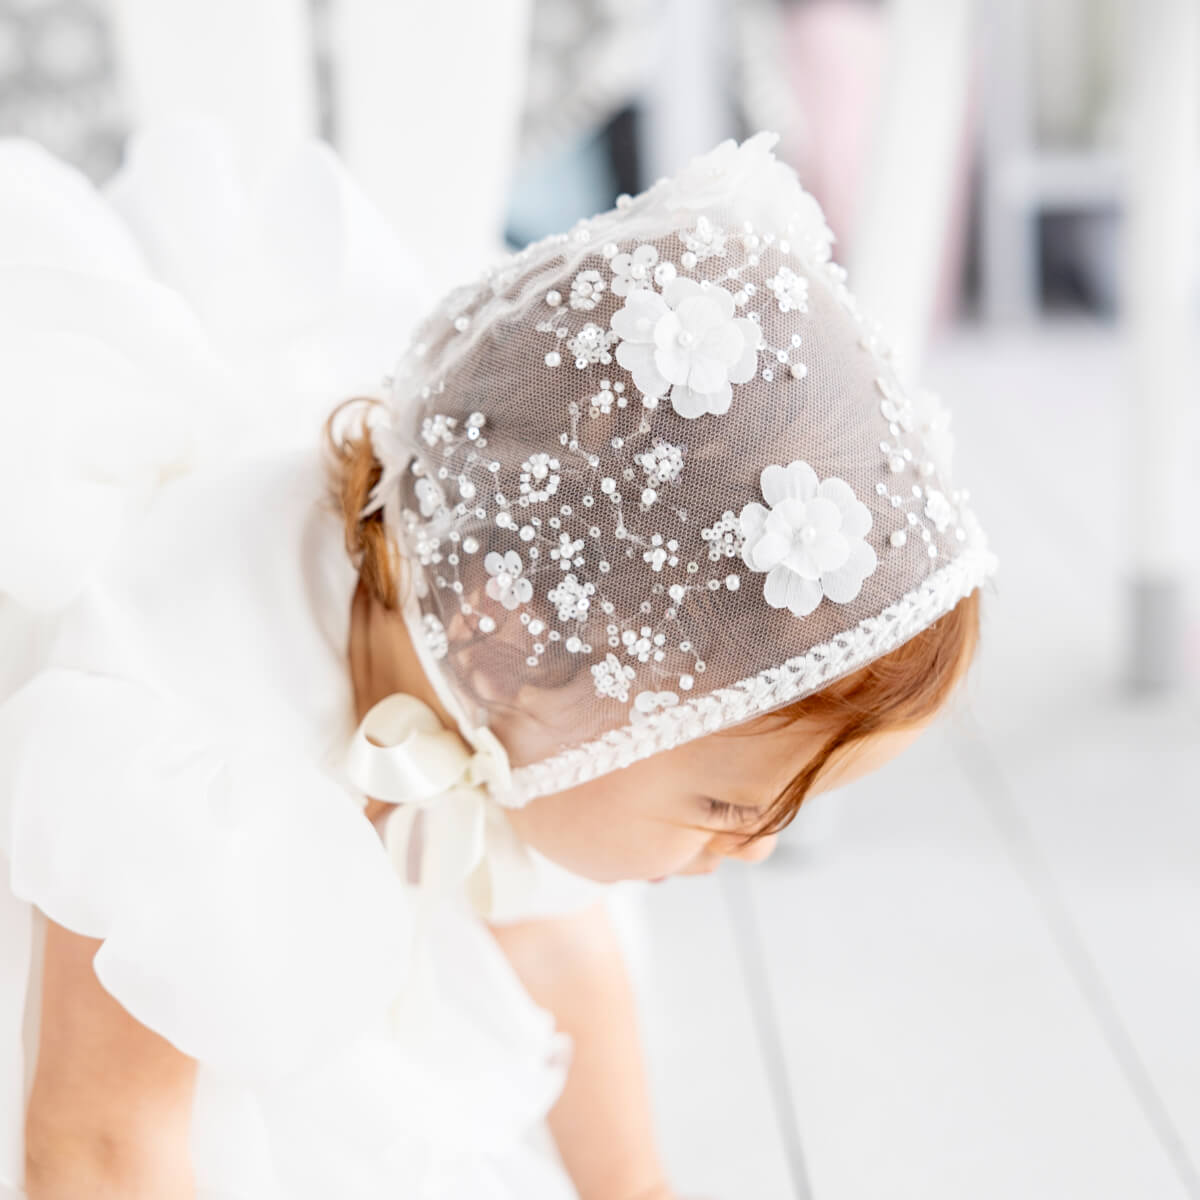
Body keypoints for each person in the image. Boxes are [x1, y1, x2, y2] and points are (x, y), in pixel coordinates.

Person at [0, 121, 996, 1199]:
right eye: (724, 805)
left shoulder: (504, 679)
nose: (751, 851)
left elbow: (561, 948)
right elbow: (97, 1141)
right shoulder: (183, 740)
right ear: (508, 632)